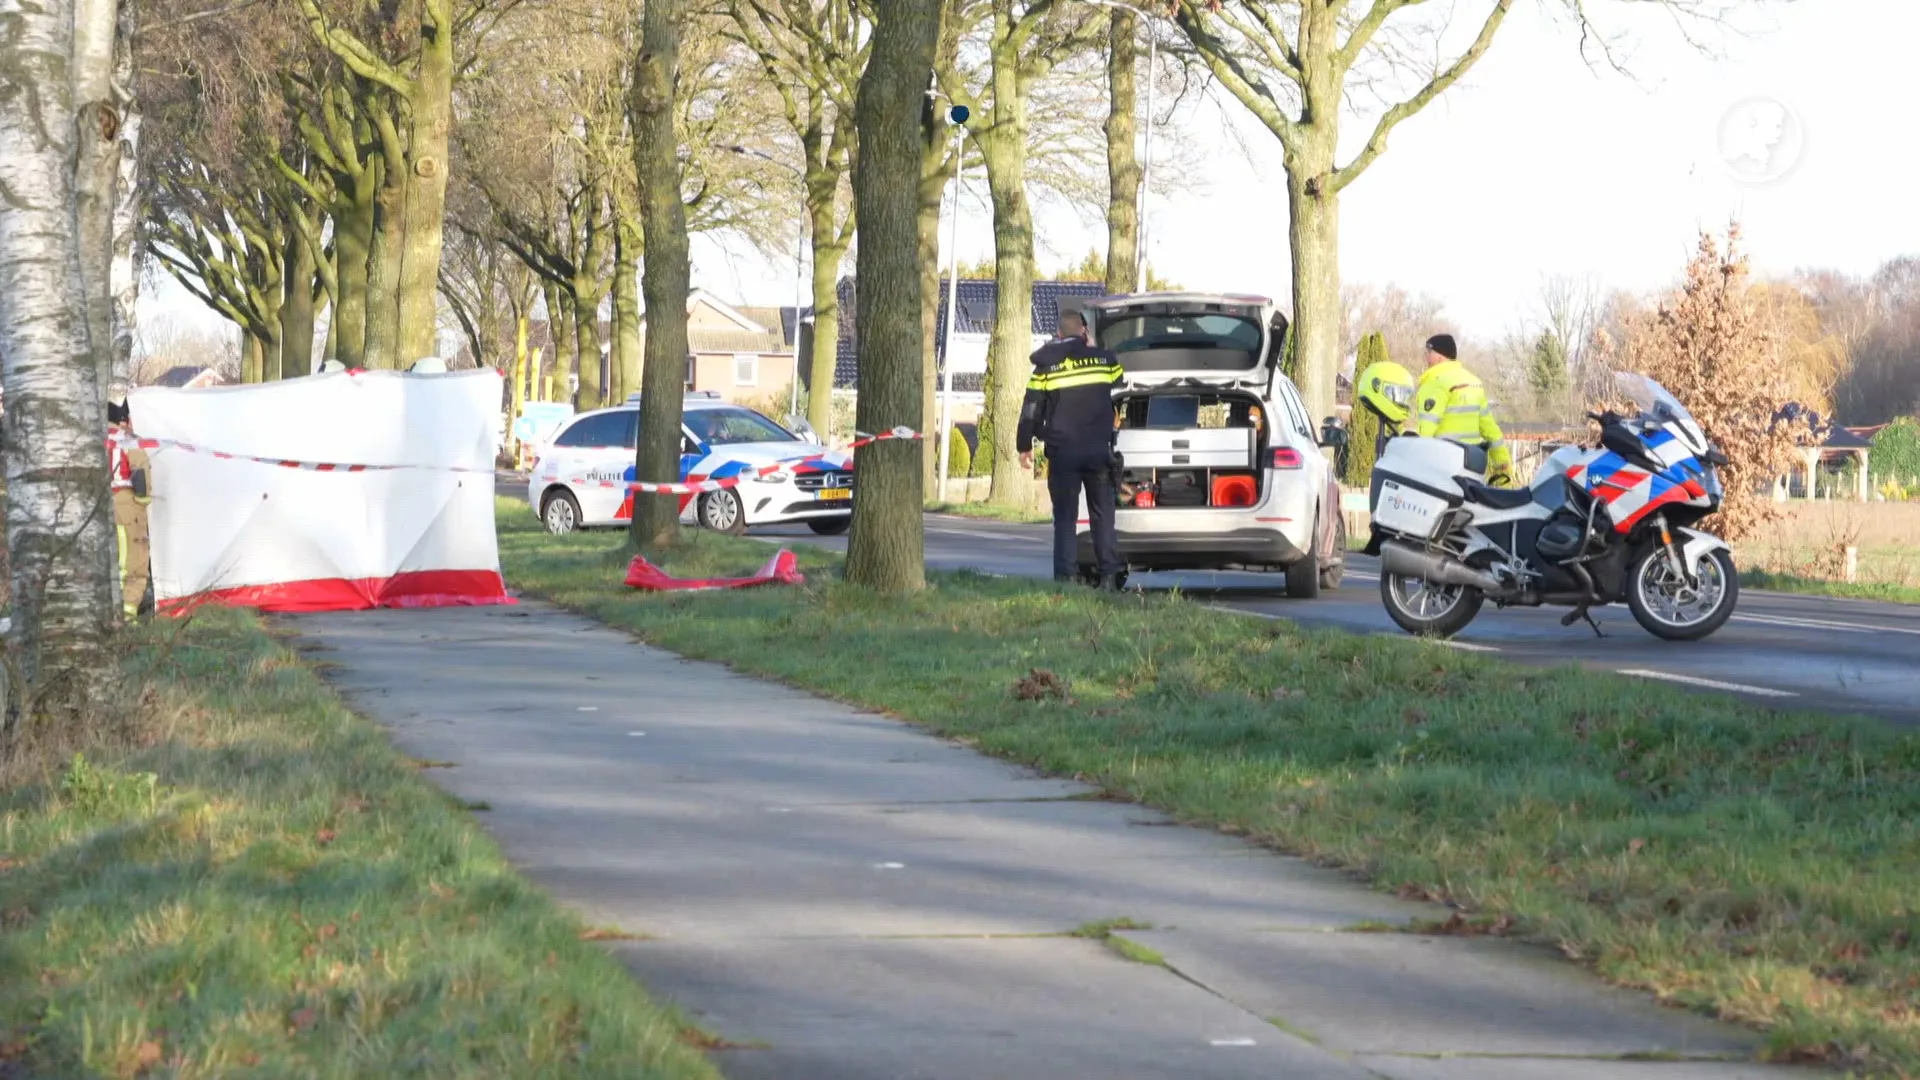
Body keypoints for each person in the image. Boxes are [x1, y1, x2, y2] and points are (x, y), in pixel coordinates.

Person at [1017, 308, 1125, 588]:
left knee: (1065, 518)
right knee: (1102, 515)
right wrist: (1090, 348)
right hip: (1098, 451)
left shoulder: (1045, 367)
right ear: (1084, 331)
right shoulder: (1105, 361)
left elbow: (1031, 409)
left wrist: (1024, 445)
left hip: (1063, 452)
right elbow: (1119, 381)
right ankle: (1110, 577)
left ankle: (1066, 578)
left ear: (1059, 333)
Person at [1413, 334, 1514, 486]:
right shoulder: (1474, 382)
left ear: (1440, 356)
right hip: (1472, 469)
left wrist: (1415, 468)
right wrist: (1502, 466)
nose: (1426, 357)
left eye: (1429, 353)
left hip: (1444, 469)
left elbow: (1426, 431)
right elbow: (1491, 430)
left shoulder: (1436, 382)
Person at [107, 399, 152, 620]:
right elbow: (140, 472)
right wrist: (142, 502)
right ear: (121, 420)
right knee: (134, 562)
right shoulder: (125, 440)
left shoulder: (88, 441)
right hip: (126, 504)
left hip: (99, 504)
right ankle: (128, 616)